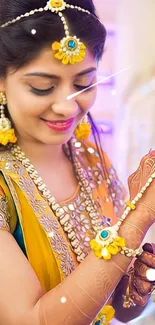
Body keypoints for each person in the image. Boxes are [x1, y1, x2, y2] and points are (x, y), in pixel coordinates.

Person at [0, 1, 155, 324]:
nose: (68, 107)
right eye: (42, 87)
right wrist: (138, 218)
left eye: (84, 84)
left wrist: (138, 283)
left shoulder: (89, 158)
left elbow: (119, 309)